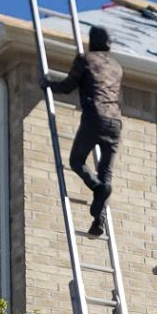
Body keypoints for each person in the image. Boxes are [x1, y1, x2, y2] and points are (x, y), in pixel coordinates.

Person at [47, 25, 123, 237]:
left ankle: (96, 187)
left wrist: (47, 84)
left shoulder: (85, 60)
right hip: (115, 121)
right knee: (106, 173)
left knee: (77, 160)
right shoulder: (117, 67)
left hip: (94, 117)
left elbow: (68, 86)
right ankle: (99, 221)